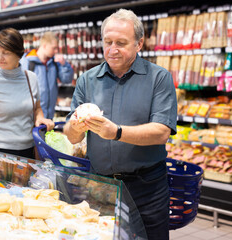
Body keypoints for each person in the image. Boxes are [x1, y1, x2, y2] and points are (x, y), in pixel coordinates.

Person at [63, 9, 177, 240]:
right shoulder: (87, 79)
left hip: (147, 188)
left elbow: (161, 132)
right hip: (100, 187)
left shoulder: (159, 78)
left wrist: (116, 132)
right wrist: (75, 127)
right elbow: (72, 136)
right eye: (108, 42)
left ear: (139, 43)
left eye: (121, 43)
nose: (112, 50)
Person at [0, 28, 54, 159]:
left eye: (5, 53)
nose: (0, 58)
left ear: (18, 53)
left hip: (27, 151)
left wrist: (39, 118)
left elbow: (37, 108)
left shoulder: (31, 78)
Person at [20, 32, 74, 119]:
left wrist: (64, 65)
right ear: (44, 46)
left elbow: (67, 79)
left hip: (50, 115)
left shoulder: (54, 63)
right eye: (54, 48)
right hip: (32, 117)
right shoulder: (28, 62)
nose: (56, 51)